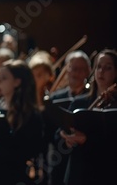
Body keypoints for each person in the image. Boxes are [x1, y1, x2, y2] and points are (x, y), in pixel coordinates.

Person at [59, 49, 117, 185]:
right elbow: (58, 132)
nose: (101, 71)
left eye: (108, 68)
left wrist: (87, 140)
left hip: (106, 172)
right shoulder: (80, 101)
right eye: (98, 67)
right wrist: (64, 135)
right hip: (78, 172)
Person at [45, 50, 91, 185]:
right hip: (57, 158)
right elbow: (48, 129)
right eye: (74, 68)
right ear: (67, 70)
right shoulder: (55, 98)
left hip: (83, 160)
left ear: (88, 71)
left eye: (81, 69)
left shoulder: (91, 97)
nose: (77, 73)